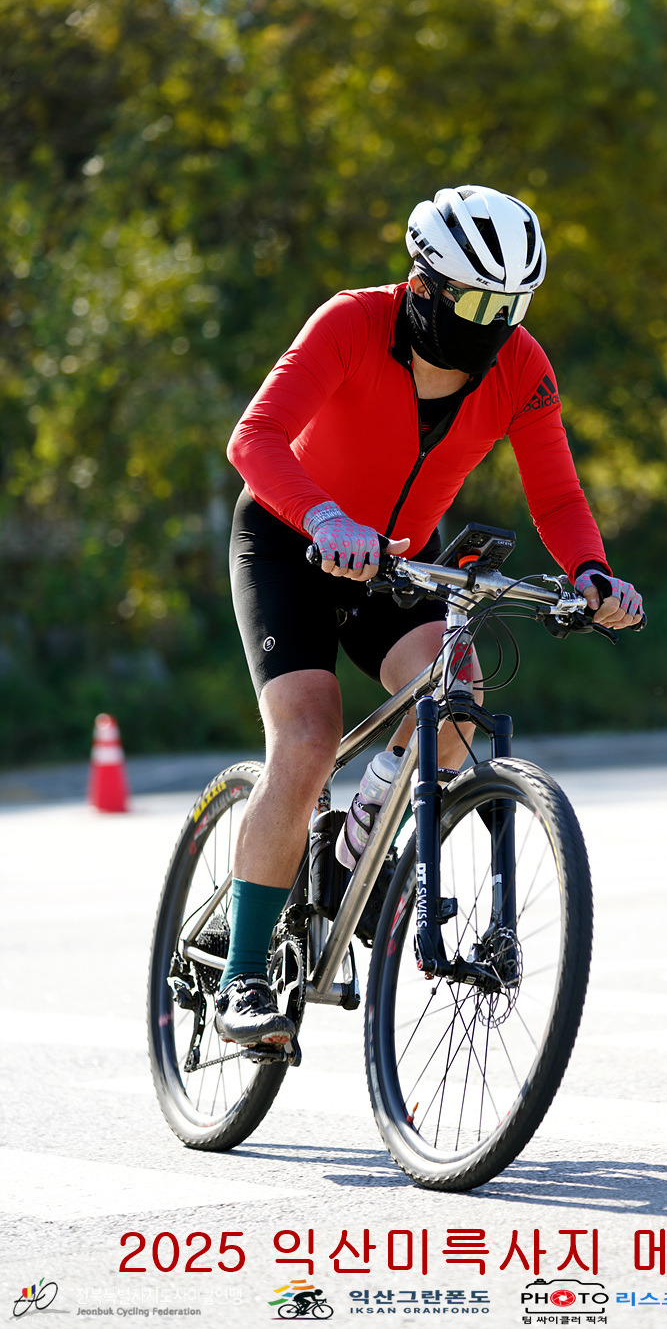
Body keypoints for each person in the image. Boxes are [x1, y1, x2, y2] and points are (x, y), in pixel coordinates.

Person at [218, 184, 643, 1046]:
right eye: (480, 304)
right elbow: (253, 439)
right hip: (292, 539)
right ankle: (242, 976)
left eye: (514, 307)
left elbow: (557, 495)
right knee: (307, 738)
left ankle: (349, 855)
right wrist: (323, 517)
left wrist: (592, 573)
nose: (498, 327)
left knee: (455, 705)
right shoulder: (351, 322)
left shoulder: (522, 365)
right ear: (423, 288)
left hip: (400, 556)